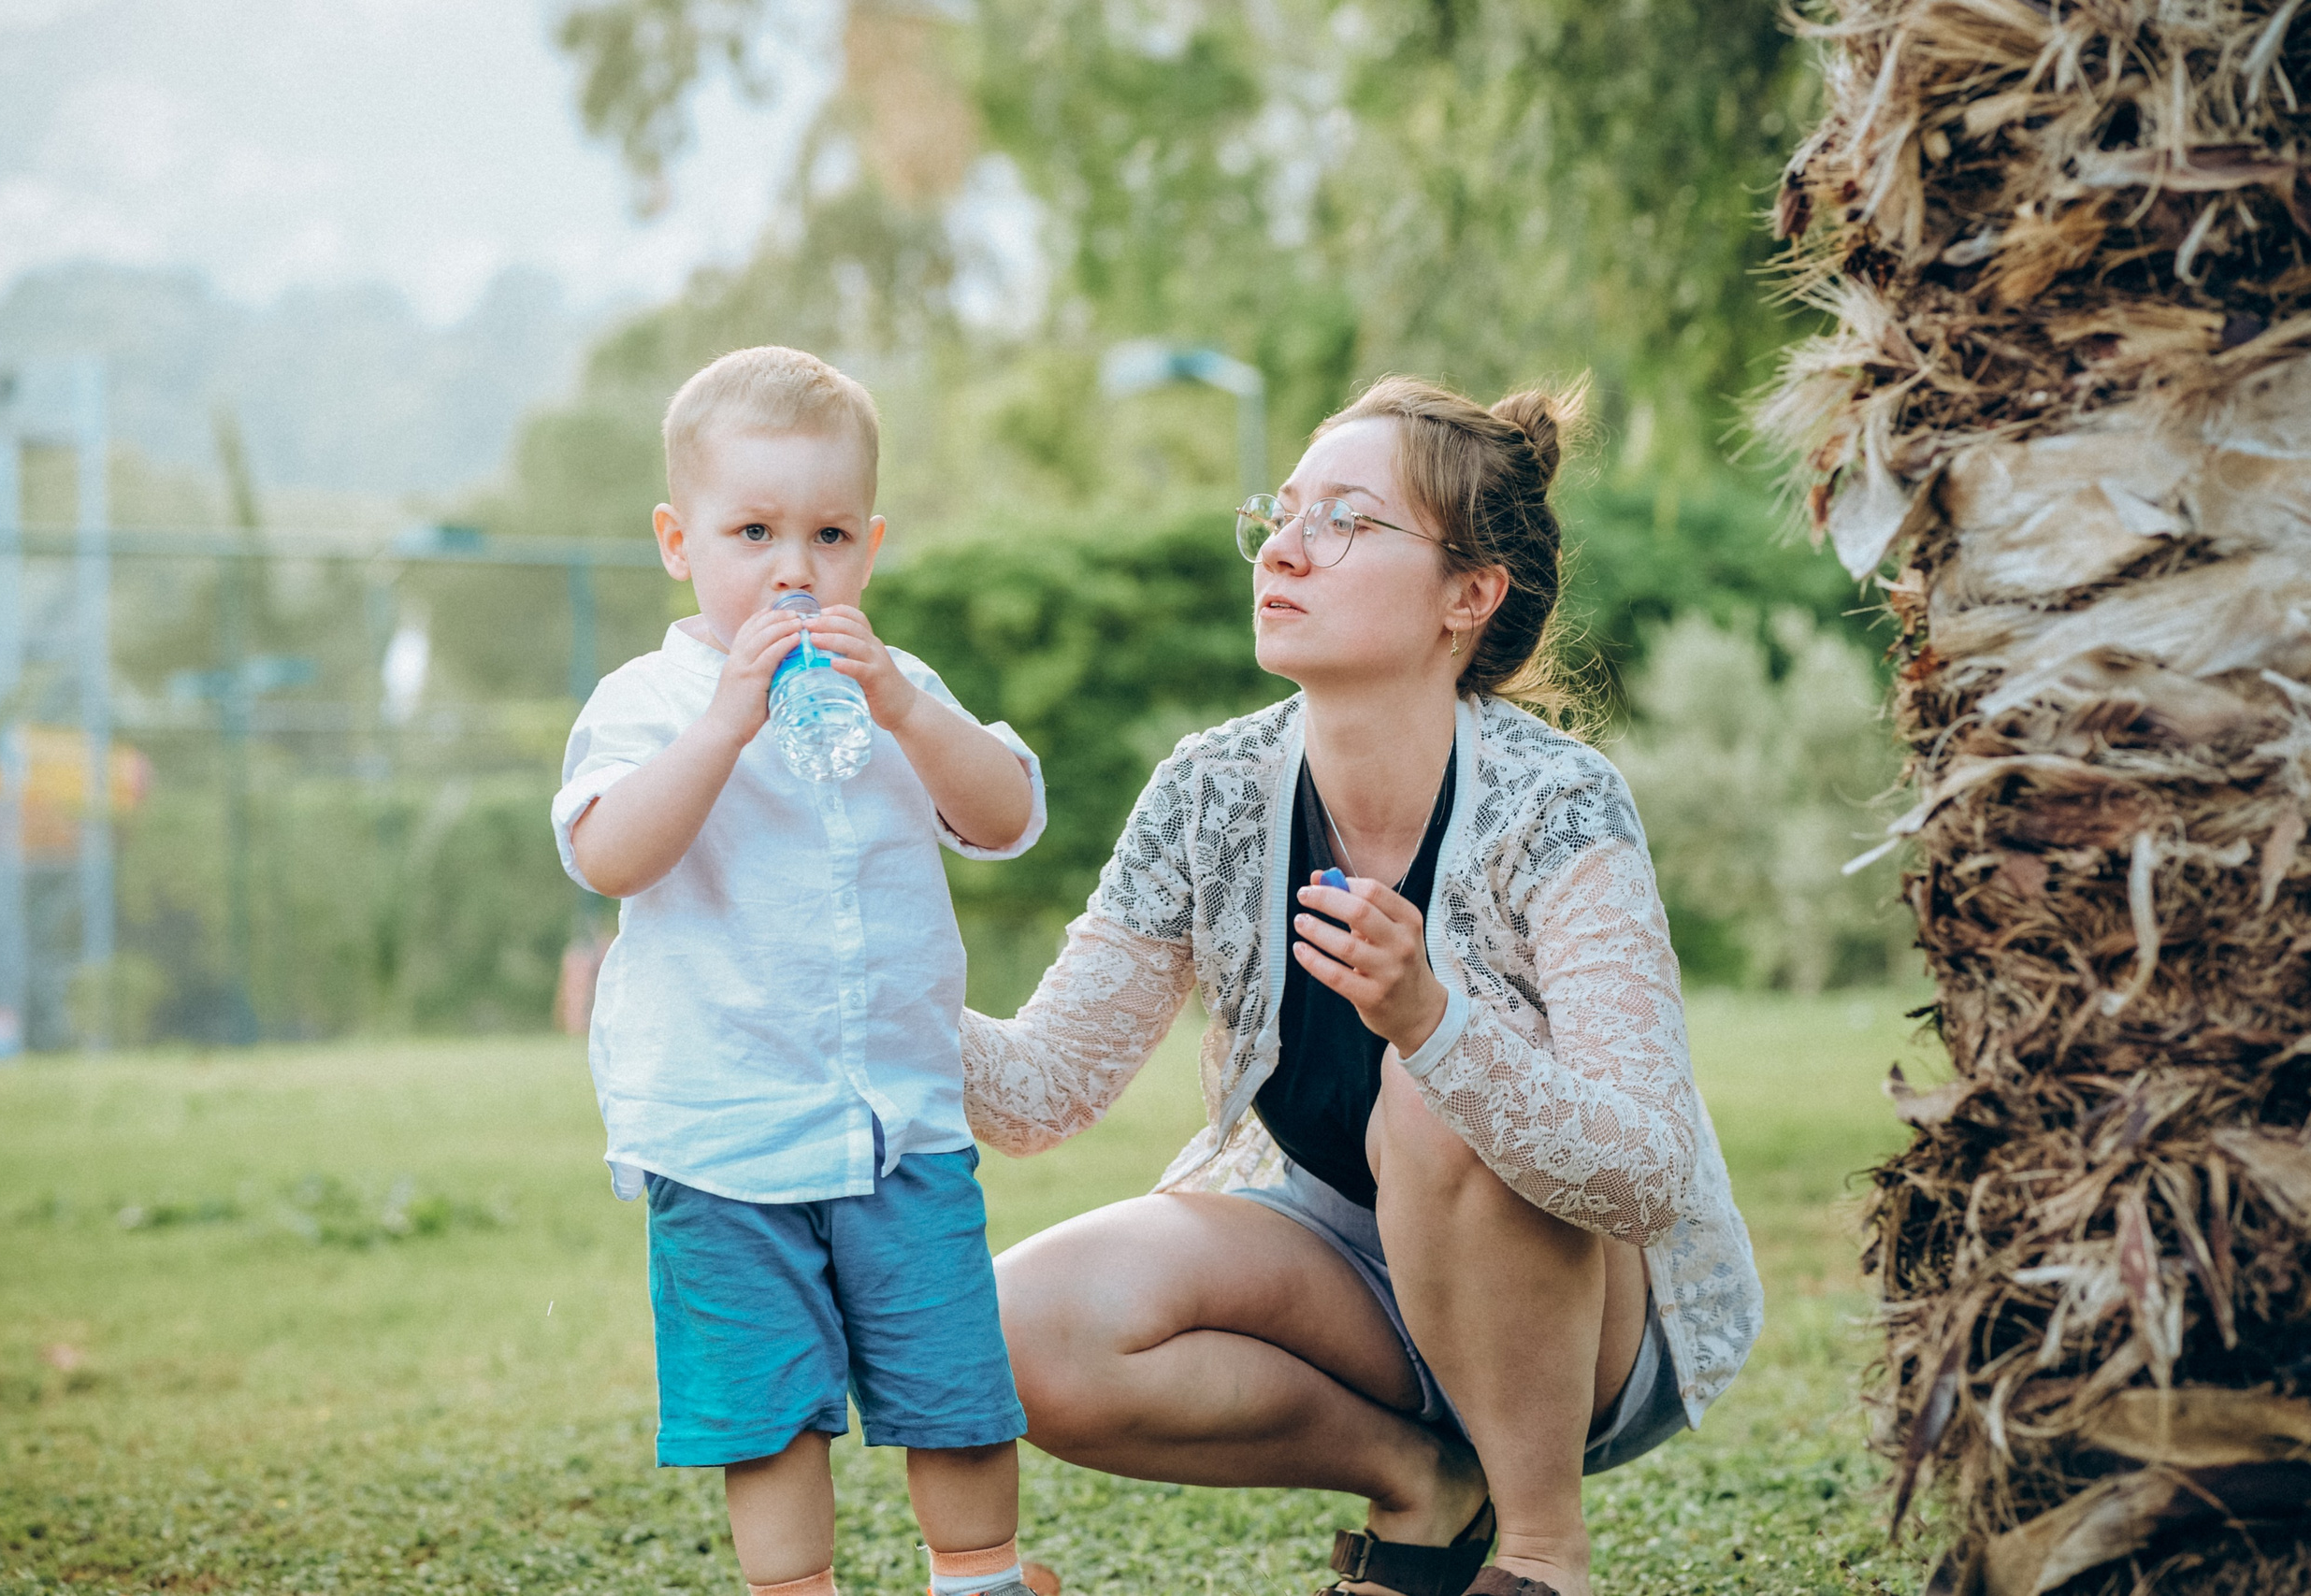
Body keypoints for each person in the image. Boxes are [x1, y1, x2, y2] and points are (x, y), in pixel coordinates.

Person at [961, 377, 1761, 1596]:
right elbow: (1043, 1089)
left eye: (1344, 520)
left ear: (1468, 596)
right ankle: (1421, 1488)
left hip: (1590, 1334)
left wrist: (1434, 1024)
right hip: (1358, 1288)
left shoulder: (1559, 804)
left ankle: (1543, 1555)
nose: (1283, 548)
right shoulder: (1210, 792)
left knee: (1430, 1098)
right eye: (1281, 515)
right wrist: (869, 984)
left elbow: (1646, 1168)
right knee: (1013, 1333)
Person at [554, 346, 1050, 1596]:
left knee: (952, 1383)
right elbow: (612, 853)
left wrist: (912, 713)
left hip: (898, 1121)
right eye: (754, 532)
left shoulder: (902, 689)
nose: (794, 568)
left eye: (828, 534)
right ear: (679, 542)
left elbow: (1005, 816)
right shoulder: (650, 700)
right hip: (722, 1130)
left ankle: (978, 1575)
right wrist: (725, 722)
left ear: (868, 550)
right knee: (768, 1409)